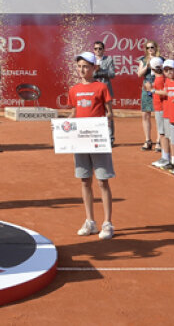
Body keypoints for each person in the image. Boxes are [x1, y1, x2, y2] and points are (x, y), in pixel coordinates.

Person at [64, 52, 115, 240]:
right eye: (79, 66)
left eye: (85, 66)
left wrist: (101, 123)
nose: (82, 70)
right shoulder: (74, 89)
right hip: (80, 139)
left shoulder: (101, 87)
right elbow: (74, 113)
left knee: (102, 181)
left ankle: (107, 223)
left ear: (94, 68)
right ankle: (90, 221)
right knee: (85, 180)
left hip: (97, 139)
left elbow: (110, 113)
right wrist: (62, 126)